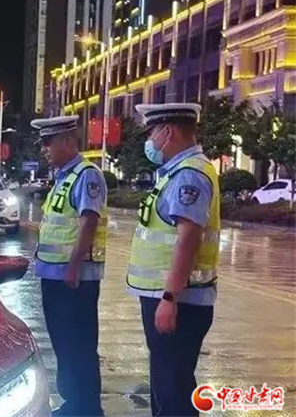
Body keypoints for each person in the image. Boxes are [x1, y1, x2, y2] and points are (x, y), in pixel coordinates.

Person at [129, 103, 219, 417]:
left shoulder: (188, 175)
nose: (149, 141)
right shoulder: (177, 172)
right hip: (171, 296)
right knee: (167, 384)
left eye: (151, 133)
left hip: (179, 300)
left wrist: (169, 297)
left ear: (168, 132)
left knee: (173, 389)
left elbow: (187, 239)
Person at [30, 115, 108, 417]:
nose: (44, 149)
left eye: (48, 142)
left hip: (74, 278)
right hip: (55, 275)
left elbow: (89, 221)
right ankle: (73, 403)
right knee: (63, 344)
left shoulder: (87, 175)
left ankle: (86, 408)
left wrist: (74, 266)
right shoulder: (64, 176)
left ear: (67, 140)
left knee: (79, 345)